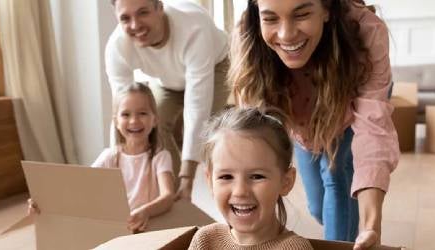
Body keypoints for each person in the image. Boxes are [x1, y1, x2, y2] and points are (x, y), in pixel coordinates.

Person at [229, 0, 399, 249]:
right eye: (271, 19)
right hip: (300, 125)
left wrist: (371, 225)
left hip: (348, 114)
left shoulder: (366, 30)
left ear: (327, 9)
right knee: (319, 207)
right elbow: (253, 134)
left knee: (336, 176)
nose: (286, 34)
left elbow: (373, 130)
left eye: (302, 14)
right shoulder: (247, 33)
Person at [105, 0, 229, 200]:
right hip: (165, 79)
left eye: (143, 13)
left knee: (208, 131)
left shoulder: (194, 27)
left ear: (160, 8)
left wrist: (187, 177)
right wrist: (116, 166)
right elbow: (122, 112)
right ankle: (168, 192)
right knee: (153, 122)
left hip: (215, 65)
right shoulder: (116, 47)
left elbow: (197, 108)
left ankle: (193, 190)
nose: (135, 25)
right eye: (125, 18)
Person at [29, 82, 176, 233]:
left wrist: (145, 212)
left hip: (147, 231)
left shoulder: (160, 157)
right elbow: (78, 185)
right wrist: (45, 202)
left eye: (142, 113)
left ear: (155, 119)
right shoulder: (109, 157)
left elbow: (168, 196)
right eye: (126, 114)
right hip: (115, 230)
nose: (134, 121)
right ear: (116, 122)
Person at [188, 107, 311, 249]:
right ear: (210, 181)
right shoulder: (205, 240)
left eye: (257, 176)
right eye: (226, 176)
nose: (240, 191)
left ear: (286, 182)